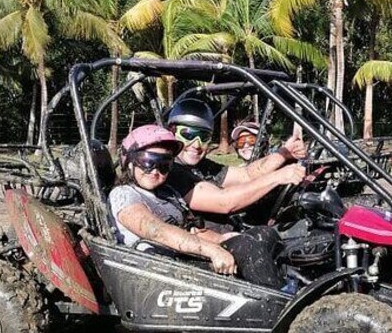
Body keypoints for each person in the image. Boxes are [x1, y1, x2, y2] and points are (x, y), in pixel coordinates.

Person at [109, 124, 285, 289]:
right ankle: (281, 307)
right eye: (148, 162)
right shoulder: (124, 194)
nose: (155, 171)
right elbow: (155, 230)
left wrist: (222, 239)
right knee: (246, 247)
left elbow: (191, 230)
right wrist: (212, 250)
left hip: (182, 259)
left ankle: (280, 288)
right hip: (157, 272)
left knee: (262, 234)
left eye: (164, 165)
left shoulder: (168, 193)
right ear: (129, 161)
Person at [163, 98, 307, 217]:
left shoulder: (202, 166)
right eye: (188, 134)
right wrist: (277, 177)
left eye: (204, 137)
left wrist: (285, 152)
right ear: (172, 133)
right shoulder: (169, 170)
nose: (196, 145)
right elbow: (224, 202)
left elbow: (247, 174)